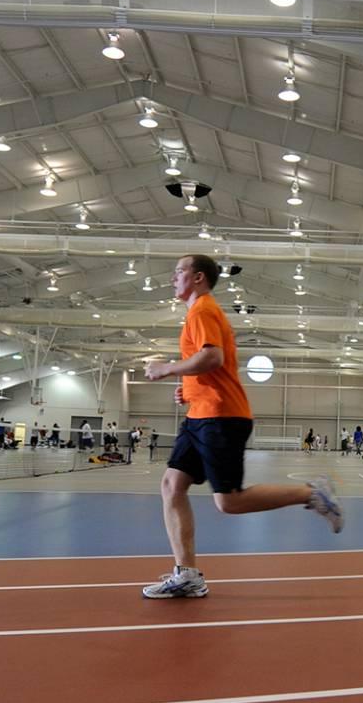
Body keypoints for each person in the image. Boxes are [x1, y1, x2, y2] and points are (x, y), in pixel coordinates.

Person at [140, 253, 345, 598]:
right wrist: (188, 389)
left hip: (220, 417)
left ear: (199, 278)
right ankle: (187, 574)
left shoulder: (203, 309)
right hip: (200, 415)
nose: (173, 277)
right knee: (171, 486)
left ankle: (312, 494)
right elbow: (209, 366)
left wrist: (167, 368)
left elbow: (212, 356)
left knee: (229, 502)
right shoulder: (197, 312)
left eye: (179, 271)